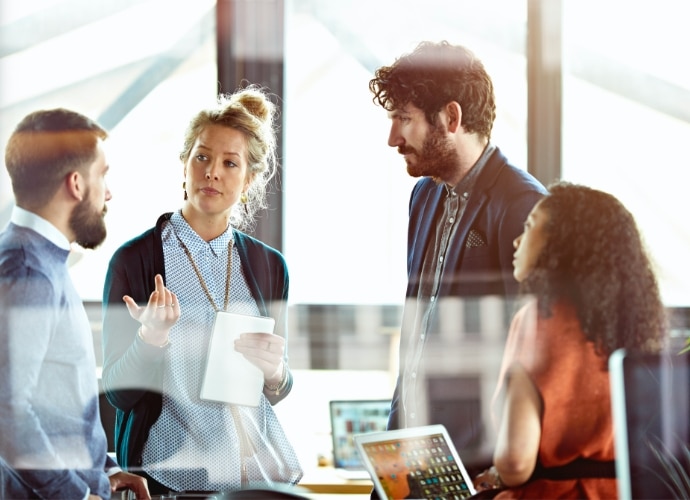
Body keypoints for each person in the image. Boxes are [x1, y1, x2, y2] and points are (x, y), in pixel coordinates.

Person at [101, 85, 302, 495]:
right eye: (203, 157)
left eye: (230, 163)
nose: (212, 171)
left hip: (252, 477)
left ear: (249, 179)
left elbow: (273, 390)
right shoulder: (134, 262)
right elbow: (119, 396)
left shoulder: (269, 267)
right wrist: (149, 338)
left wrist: (277, 372)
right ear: (185, 164)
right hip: (164, 479)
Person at [368, 40, 547, 459]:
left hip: (479, 461)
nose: (392, 137)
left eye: (403, 119)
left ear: (451, 117)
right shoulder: (423, 196)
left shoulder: (525, 206)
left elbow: (535, 356)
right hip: (412, 451)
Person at [472, 182, 667, 498]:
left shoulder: (538, 319)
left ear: (562, 244)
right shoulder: (635, 321)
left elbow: (515, 462)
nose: (516, 241)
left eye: (530, 226)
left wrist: (497, 475)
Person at [0, 108, 150, 499]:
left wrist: (104, 468)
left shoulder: (40, 258)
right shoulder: (28, 271)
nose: (110, 191)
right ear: (77, 184)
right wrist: (78, 495)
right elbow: (8, 412)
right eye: (103, 174)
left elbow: (53, 403)